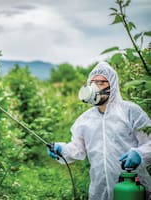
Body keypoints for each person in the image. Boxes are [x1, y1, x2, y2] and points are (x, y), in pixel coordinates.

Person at [47, 61, 151, 200]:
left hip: (133, 188)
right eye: (93, 83)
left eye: (101, 83)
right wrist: (62, 149)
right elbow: (77, 149)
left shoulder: (130, 112)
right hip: (99, 190)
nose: (95, 87)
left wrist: (140, 154)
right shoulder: (85, 120)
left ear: (112, 86)